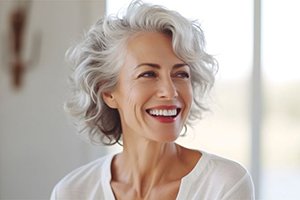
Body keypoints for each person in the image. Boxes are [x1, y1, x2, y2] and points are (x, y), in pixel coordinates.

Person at [51, 0, 255, 199]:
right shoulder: (72, 192)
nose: (170, 91)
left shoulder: (223, 185)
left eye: (181, 74)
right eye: (148, 74)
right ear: (108, 92)